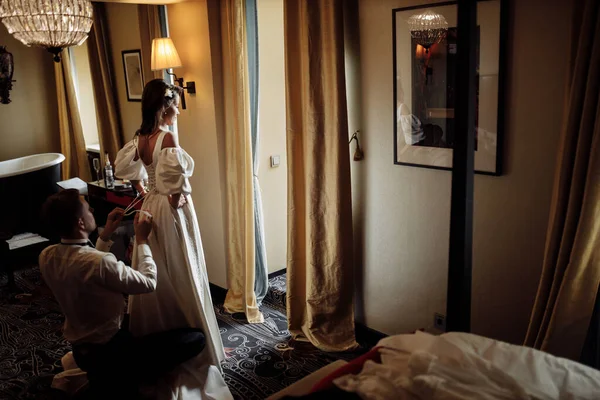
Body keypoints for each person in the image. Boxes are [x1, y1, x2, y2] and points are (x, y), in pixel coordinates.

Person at [114, 79, 232, 399]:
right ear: (165, 105)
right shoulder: (167, 138)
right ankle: (198, 340)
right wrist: (174, 198)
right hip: (170, 210)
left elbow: (129, 170)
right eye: (174, 104)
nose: (176, 110)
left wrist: (147, 191)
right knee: (183, 269)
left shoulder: (140, 139)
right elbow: (178, 188)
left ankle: (159, 332)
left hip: (150, 207)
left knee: (159, 268)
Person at [39, 189, 207, 398]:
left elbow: (86, 265)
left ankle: (115, 376)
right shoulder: (99, 263)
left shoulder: (46, 256)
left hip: (82, 351)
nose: (92, 210)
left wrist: (106, 233)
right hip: (113, 353)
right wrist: (143, 241)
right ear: (80, 223)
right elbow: (148, 282)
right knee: (196, 339)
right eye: (87, 209)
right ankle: (128, 376)